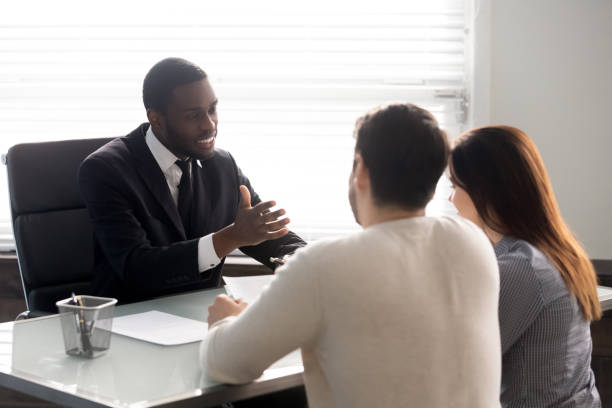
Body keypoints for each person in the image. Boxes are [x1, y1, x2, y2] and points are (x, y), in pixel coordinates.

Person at [201, 103, 502, 407]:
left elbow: (226, 364)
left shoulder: (323, 266)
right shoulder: (473, 242)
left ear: (361, 169)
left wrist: (226, 321)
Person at [79, 58, 305, 304]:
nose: (209, 125)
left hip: (202, 317)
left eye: (212, 110)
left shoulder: (222, 165)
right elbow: (137, 268)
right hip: (129, 320)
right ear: (156, 118)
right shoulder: (105, 170)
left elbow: (260, 232)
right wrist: (230, 237)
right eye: (193, 116)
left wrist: (302, 258)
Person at [449, 125, 602, 407]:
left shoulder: (522, 268)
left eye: (455, 186)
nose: (451, 199)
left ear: (486, 190)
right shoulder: (555, 250)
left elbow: (460, 366)